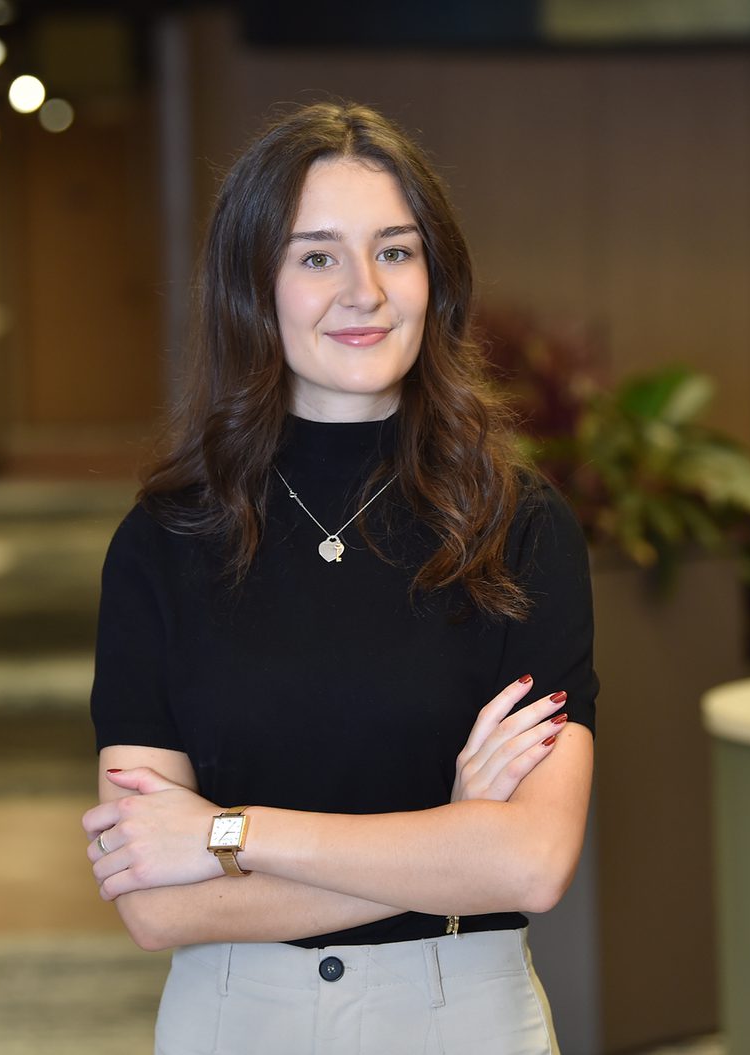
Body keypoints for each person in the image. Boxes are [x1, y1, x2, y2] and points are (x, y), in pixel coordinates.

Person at [82, 101, 598, 1055]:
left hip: (463, 1014)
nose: (362, 290)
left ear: (434, 279)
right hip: (233, 1018)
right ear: (253, 285)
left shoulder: (518, 527)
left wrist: (226, 836)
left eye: (395, 252)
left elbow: (529, 864)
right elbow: (156, 909)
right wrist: (449, 835)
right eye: (316, 256)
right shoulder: (164, 541)